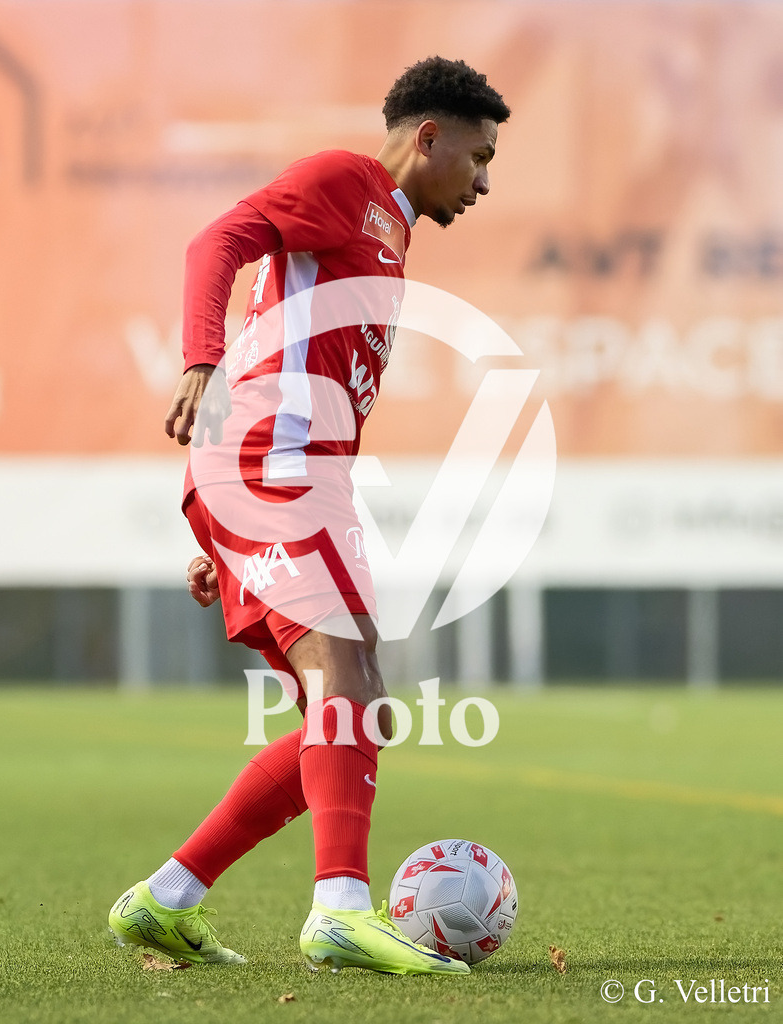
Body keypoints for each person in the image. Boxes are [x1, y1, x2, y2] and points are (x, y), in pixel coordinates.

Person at [109, 55, 509, 976]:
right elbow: (214, 243)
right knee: (346, 683)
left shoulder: (389, 235)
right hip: (272, 465)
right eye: (479, 158)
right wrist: (200, 361)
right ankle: (339, 907)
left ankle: (166, 899)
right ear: (428, 137)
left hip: (284, 477)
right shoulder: (346, 183)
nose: (484, 181)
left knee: (355, 710)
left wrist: (225, 533)